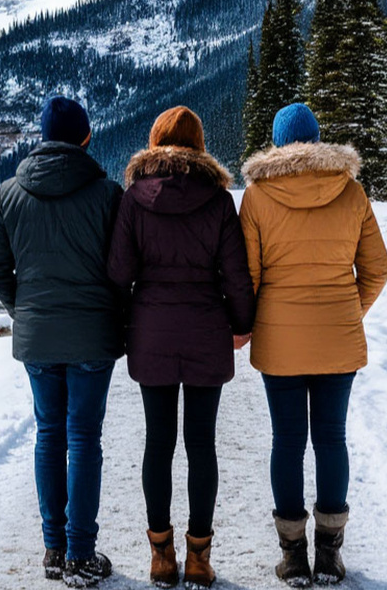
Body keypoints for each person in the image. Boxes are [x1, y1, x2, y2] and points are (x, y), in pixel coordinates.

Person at [239, 103, 387, 586]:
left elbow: (249, 276)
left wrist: (262, 320)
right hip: (337, 339)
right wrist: (349, 310)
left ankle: (293, 556)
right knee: (331, 440)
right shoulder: (351, 191)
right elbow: (377, 269)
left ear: (279, 144)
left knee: (287, 441)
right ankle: (329, 555)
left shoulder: (258, 196)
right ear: (318, 139)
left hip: (280, 343)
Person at [106, 106, 255, 589]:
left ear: (154, 143)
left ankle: (160, 557)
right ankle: (199, 559)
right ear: (200, 145)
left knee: (158, 442)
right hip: (207, 331)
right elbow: (236, 275)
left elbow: (119, 275)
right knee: (201, 445)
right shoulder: (217, 200)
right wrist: (242, 325)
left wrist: (129, 324)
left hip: (151, 331)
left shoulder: (133, 199)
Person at [0, 96, 126, 588]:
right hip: (92, 338)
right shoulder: (108, 194)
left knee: (49, 434)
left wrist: (25, 311)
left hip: (39, 338)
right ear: (86, 138)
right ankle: (81, 556)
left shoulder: (8, 192)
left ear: (42, 138)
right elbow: (124, 269)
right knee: (84, 437)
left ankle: (53, 549)